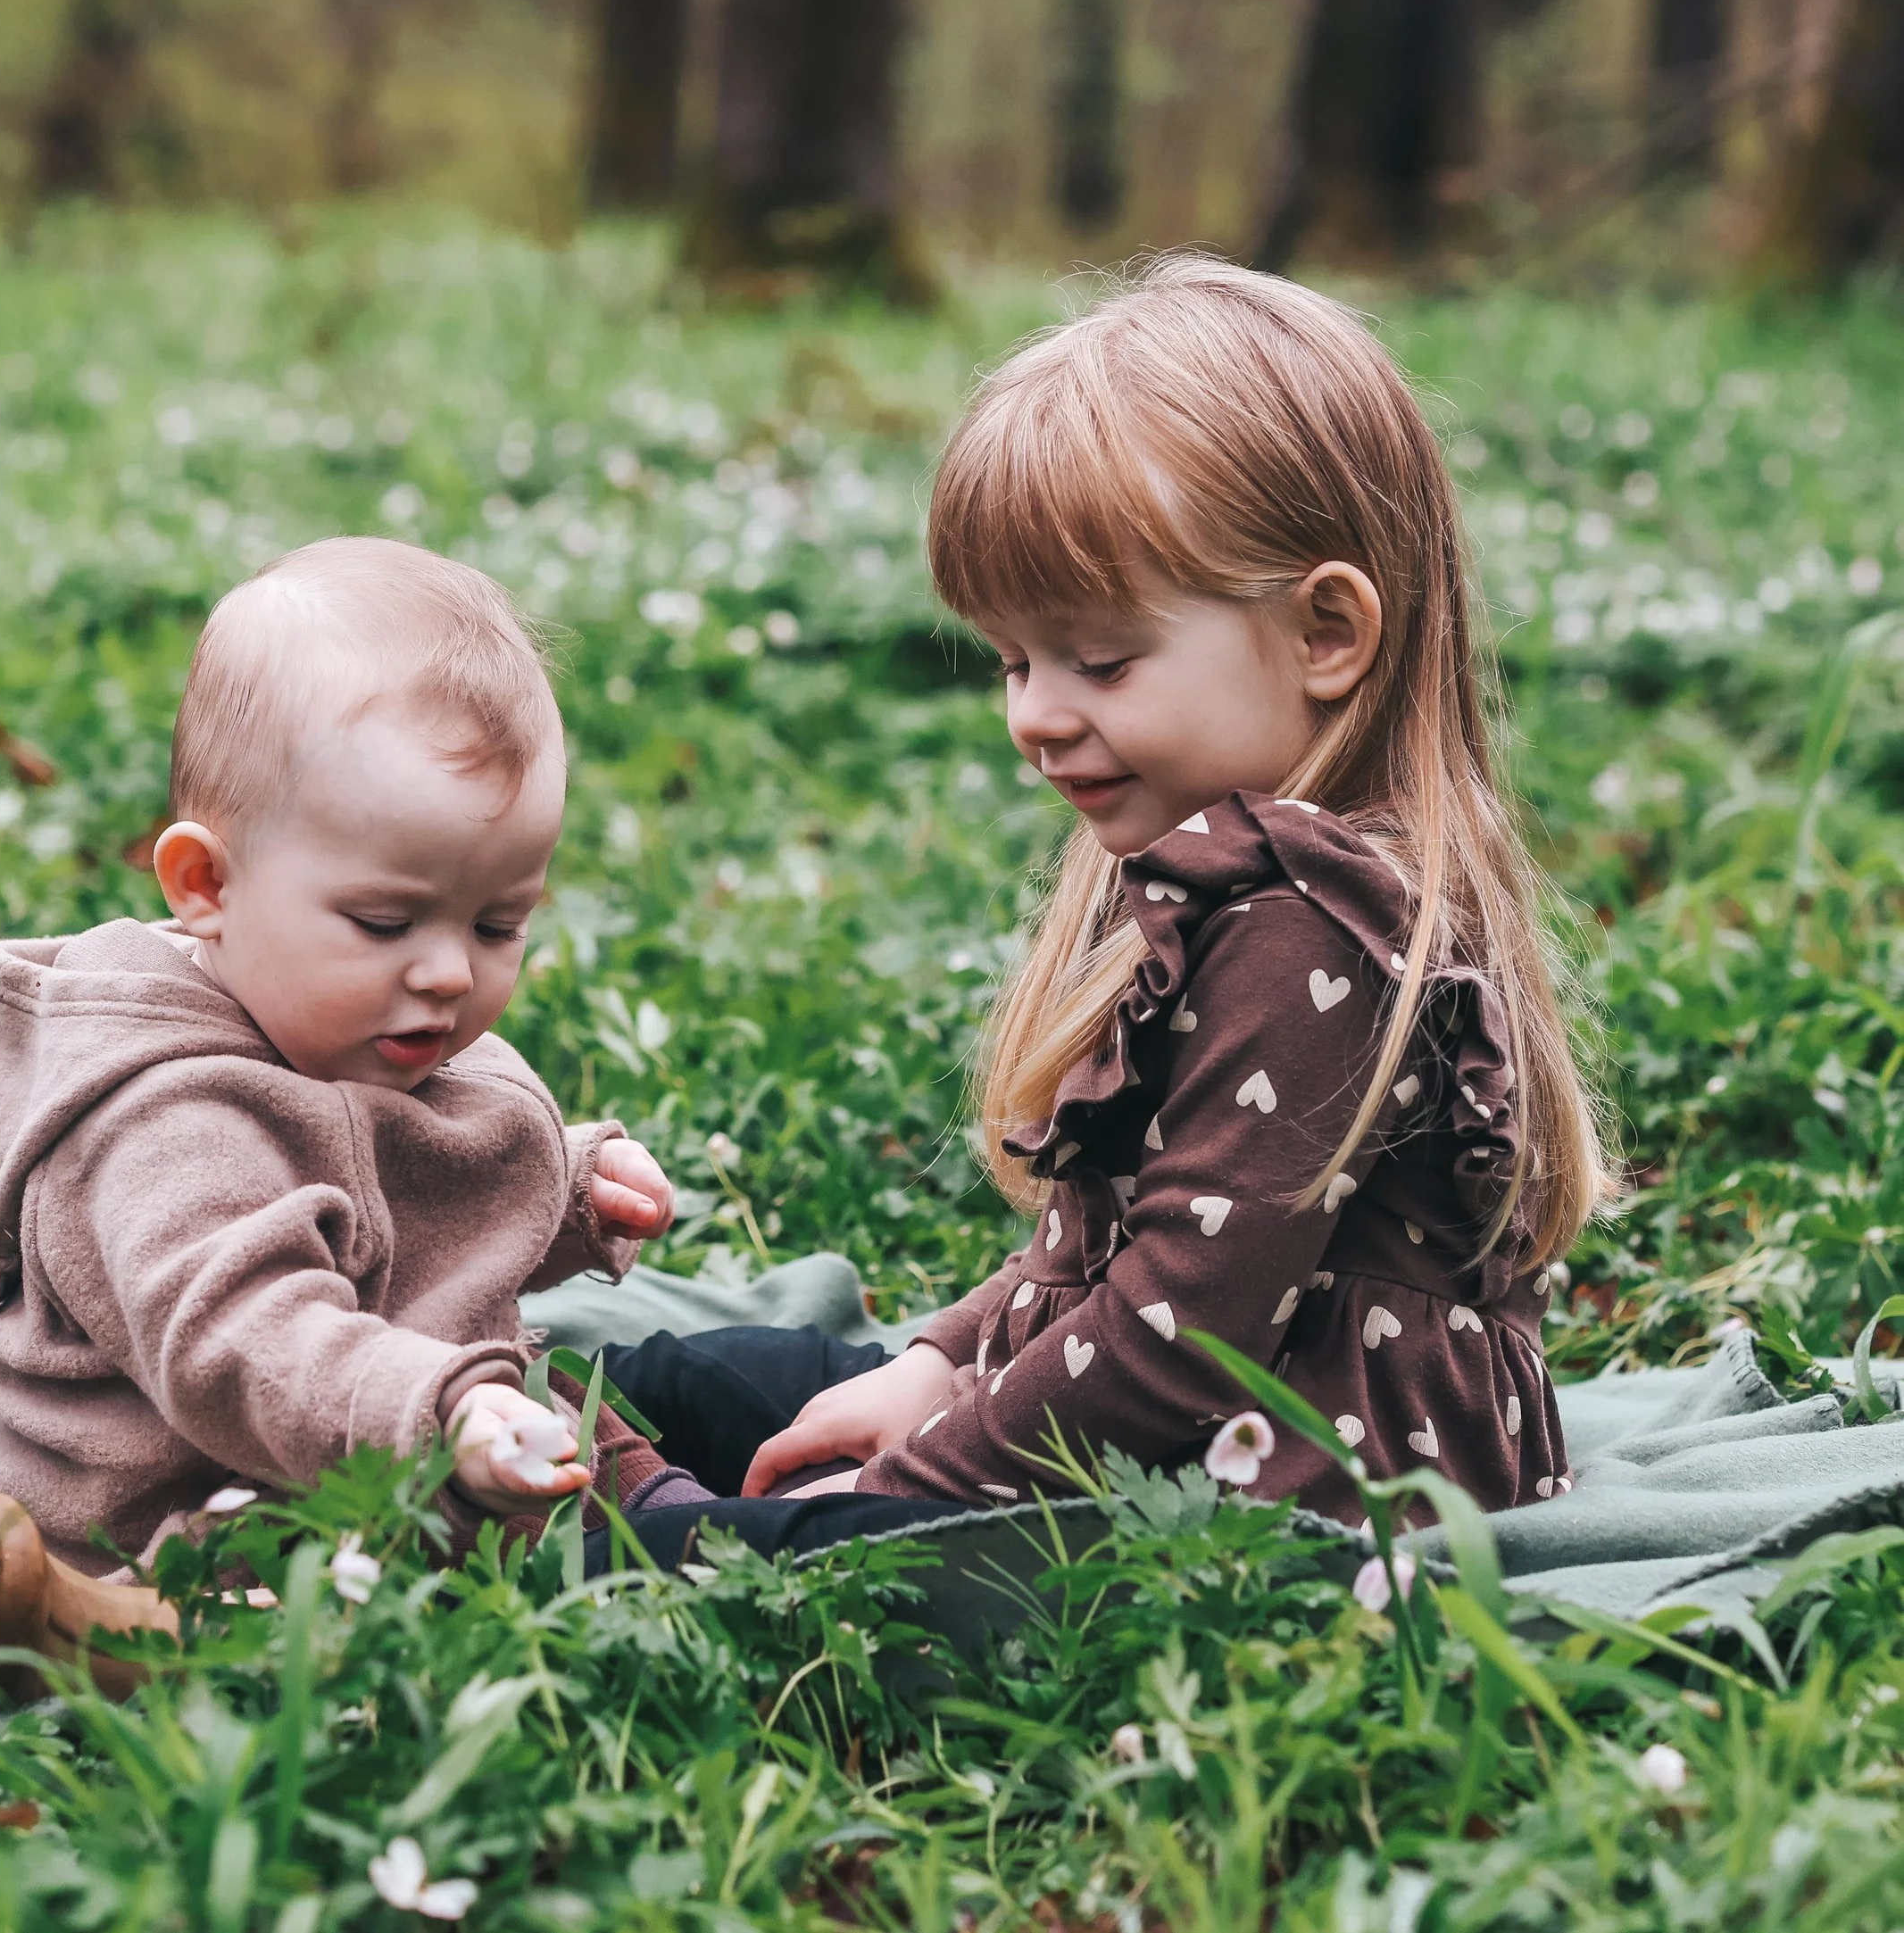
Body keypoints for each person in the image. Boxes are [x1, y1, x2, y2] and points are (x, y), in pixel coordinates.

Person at [594, 253, 1613, 1572]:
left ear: (1325, 635)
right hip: (1160, 1406)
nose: (1034, 715)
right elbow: (1109, 1254)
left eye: (1102, 660)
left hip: (1285, 1481)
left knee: (699, 1528)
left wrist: (917, 1478)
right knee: (714, 1380)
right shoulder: (1233, 884)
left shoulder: (1316, 928)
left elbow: (1176, 1333)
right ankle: (605, 1461)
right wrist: (938, 1361)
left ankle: (617, 1521)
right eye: (1015, 660)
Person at [0, 538, 706, 1698]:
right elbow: (249, 1336)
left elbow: (390, 1188)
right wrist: (435, 1407)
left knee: (557, 1413)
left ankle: (702, 1536)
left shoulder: (345, 1017)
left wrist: (565, 1186)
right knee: (322, 1601)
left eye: (497, 925)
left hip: (367, 1435)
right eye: (386, 921)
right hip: (175, 1503)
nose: (445, 974)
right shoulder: (160, 1120)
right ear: (208, 887)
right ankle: (63, 1631)